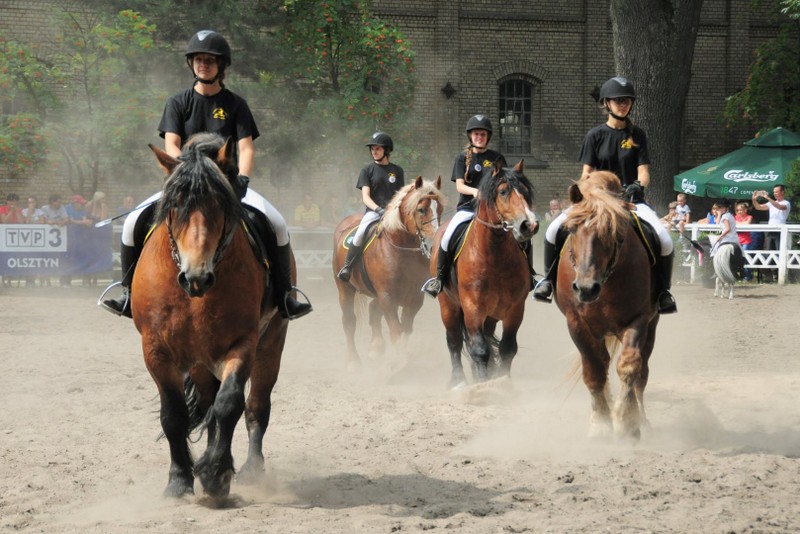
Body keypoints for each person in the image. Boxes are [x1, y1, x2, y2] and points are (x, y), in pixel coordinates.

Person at [102, 30, 312, 320]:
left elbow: (246, 148)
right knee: (133, 223)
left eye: (210, 61)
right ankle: (127, 294)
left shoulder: (236, 104)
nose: (204, 65)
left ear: (221, 66)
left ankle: (285, 296)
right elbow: (172, 145)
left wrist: (243, 179)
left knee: (276, 222)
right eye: (199, 60)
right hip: (187, 184)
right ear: (191, 64)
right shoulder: (178, 103)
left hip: (227, 184)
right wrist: (184, 177)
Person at [533, 76, 677, 314]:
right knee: (552, 230)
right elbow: (586, 173)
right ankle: (547, 281)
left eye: (627, 100)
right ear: (606, 104)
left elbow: (644, 173)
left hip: (629, 201)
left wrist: (637, 186)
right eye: (618, 100)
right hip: (597, 201)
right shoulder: (595, 135)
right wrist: (590, 192)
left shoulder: (637, 135)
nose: (623, 104)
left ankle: (663, 291)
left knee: (664, 239)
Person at [421, 114, 522, 297]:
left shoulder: (497, 158)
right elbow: (459, 185)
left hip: (494, 211)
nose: (479, 137)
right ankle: (439, 279)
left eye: (482, 134)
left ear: (487, 137)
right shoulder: (462, 158)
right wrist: (475, 192)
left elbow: (505, 182)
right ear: (470, 136)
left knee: (521, 236)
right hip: (468, 209)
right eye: (476, 134)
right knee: (446, 237)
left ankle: (530, 275)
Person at [337, 131, 405, 281]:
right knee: (360, 233)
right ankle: (347, 266)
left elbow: (400, 195)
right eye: (372, 149)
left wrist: (394, 210)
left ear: (386, 150)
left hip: (393, 213)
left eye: (378, 148)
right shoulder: (367, 170)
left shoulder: (397, 170)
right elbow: (365, 197)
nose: (374, 151)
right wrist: (378, 210)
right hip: (374, 212)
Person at [752, 184, 791, 282]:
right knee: (769, 252)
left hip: (780, 231)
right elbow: (758, 207)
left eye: (777, 192)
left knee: (779, 252)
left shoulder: (786, 203)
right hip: (770, 230)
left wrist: (768, 198)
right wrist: (754, 199)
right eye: (774, 192)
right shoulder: (771, 203)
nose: (775, 194)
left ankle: (780, 274)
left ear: (782, 192)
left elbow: (780, 207)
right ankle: (771, 275)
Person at [734, 201, 754, 281]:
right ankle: (738, 275)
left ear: (745, 210)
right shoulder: (735, 217)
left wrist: (739, 223)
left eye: (741, 210)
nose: (739, 212)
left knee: (746, 258)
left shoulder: (749, 216)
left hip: (746, 241)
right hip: (737, 241)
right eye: (738, 210)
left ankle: (748, 276)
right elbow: (734, 223)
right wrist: (742, 223)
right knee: (736, 258)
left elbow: (747, 224)